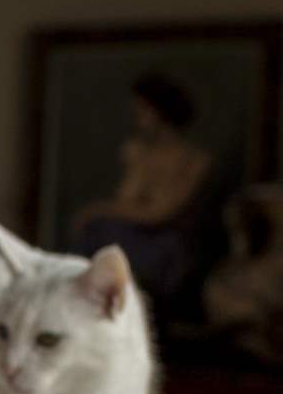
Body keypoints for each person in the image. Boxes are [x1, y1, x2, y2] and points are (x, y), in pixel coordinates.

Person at [68, 71, 215, 307]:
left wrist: (97, 208)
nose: (136, 117)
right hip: (125, 235)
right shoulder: (134, 152)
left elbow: (159, 214)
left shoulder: (194, 160)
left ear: (161, 111)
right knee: (99, 233)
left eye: (143, 110)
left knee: (104, 232)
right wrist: (139, 165)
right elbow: (127, 198)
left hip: (162, 246)